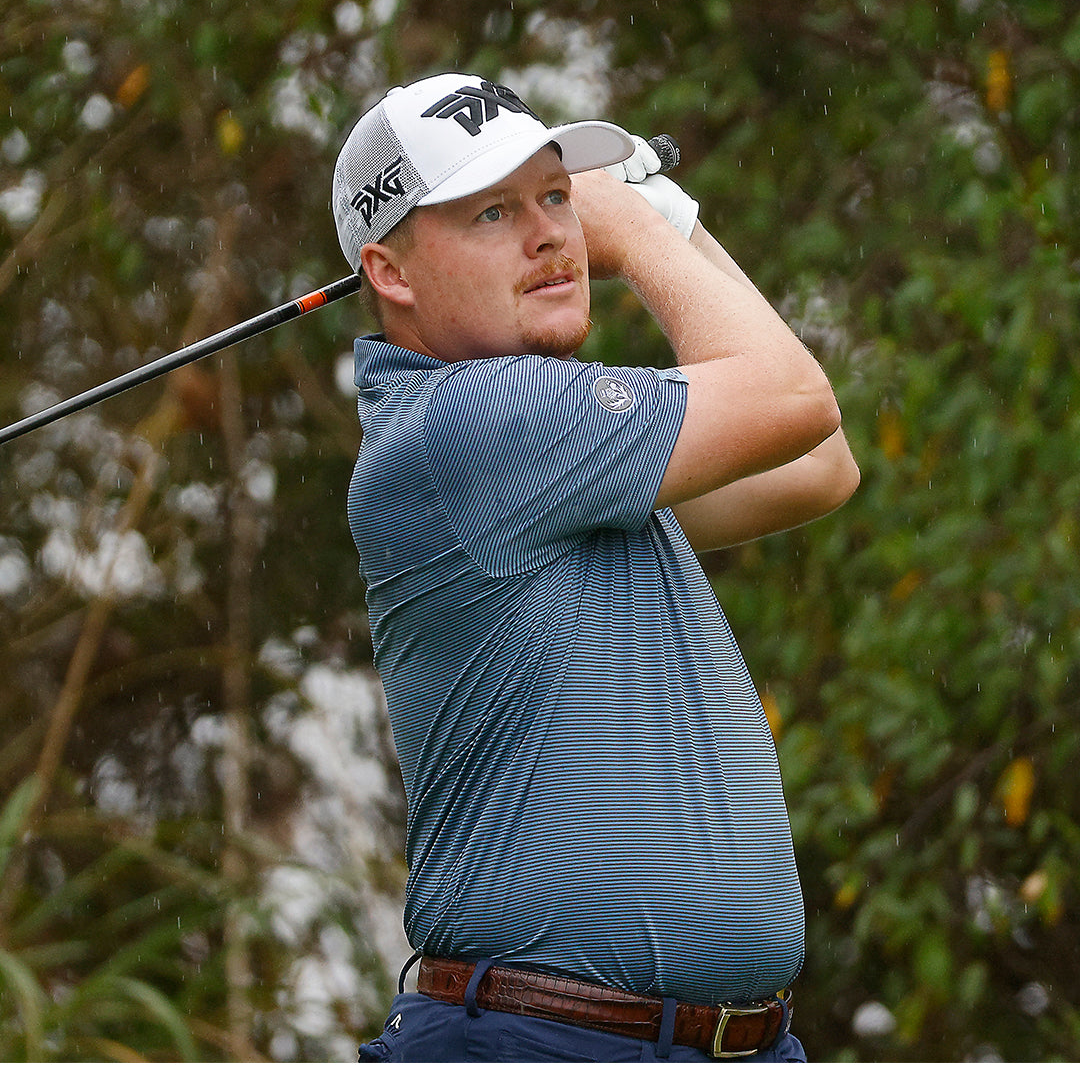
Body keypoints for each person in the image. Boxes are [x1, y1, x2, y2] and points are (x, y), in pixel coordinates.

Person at [331, 73, 859, 1063]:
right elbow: (797, 400)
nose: (550, 235)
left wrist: (669, 222)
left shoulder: (560, 453)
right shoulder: (468, 424)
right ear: (390, 274)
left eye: (556, 197)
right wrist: (643, 233)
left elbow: (820, 468)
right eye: (493, 210)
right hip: (543, 1041)